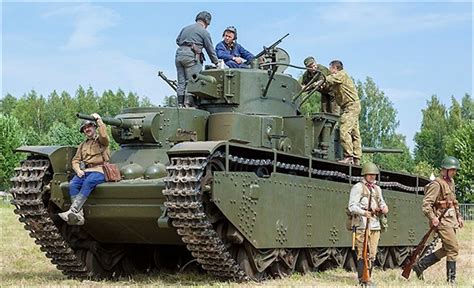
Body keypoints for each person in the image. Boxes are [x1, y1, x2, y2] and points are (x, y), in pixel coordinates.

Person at [413, 156, 463, 283]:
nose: (455, 172)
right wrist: (433, 218)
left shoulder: (451, 182)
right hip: (442, 221)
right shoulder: (436, 184)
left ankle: (420, 265)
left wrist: (459, 216)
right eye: (452, 170)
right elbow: (426, 205)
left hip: (451, 220)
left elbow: (453, 202)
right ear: (445, 170)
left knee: (447, 249)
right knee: (453, 249)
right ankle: (451, 281)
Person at [58, 113, 109, 225]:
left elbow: (104, 135)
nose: (87, 129)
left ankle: (73, 210)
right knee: (73, 184)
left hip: (100, 170)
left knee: (89, 182)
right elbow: (75, 160)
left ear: (94, 127)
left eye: (89, 126)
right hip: (86, 171)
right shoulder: (82, 145)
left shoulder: (101, 140)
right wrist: (78, 170)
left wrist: (99, 120)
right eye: (84, 128)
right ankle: (79, 216)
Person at [348, 162, 389, 286]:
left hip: (375, 225)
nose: (373, 177)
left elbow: (381, 202)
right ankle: (363, 280)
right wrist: (363, 212)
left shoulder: (377, 189)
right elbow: (351, 206)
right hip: (362, 225)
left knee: (372, 253)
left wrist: (384, 208)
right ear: (365, 174)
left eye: (374, 175)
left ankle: (368, 277)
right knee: (362, 252)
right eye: (370, 175)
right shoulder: (358, 188)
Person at [175, 11, 219, 107]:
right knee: (193, 80)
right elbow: (210, 48)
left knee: (181, 81)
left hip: (179, 54)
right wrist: (216, 62)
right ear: (207, 22)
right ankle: (189, 104)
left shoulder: (185, 28)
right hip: (191, 55)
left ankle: (180, 103)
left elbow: (178, 41)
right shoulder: (204, 32)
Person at [324, 60, 361, 165]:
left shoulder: (341, 75)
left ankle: (348, 157)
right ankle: (356, 158)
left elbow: (329, 80)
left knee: (344, 130)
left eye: (330, 68)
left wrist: (320, 80)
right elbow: (329, 87)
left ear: (335, 68)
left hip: (351, 106)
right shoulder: (339, 79)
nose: (330, 71)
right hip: (350, 106)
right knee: (354, 133)